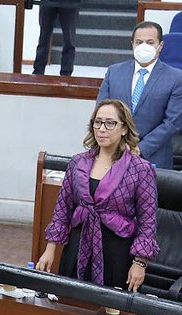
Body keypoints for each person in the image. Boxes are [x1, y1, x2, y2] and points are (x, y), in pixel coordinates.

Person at [36, 99, 159, 291]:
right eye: (97, 122)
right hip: (77, 248)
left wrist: (140, 263)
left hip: (116, 255)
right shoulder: (78, 163)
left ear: (124, 128)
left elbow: (147, 223)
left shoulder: (140, 170)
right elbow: (62, 211)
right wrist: (50, 250)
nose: (102, 128)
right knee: (70, 308)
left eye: (110, 123)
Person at [97, 21, 182, 169]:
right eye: (139, 42)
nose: (144, 46)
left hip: (154, 158)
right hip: (114, 156)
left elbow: (173, 122)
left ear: (160, 46)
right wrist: (117, 143)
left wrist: (139, 148)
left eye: (150, 42)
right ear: (132, 44)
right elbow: (101, 110)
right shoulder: (114, 72)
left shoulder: (175, 78)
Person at [32, 0, 80, 77]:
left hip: (70, 2)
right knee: (43, 38)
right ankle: (38, 72)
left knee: (69, 39)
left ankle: (66, 74)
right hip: (47, 2)